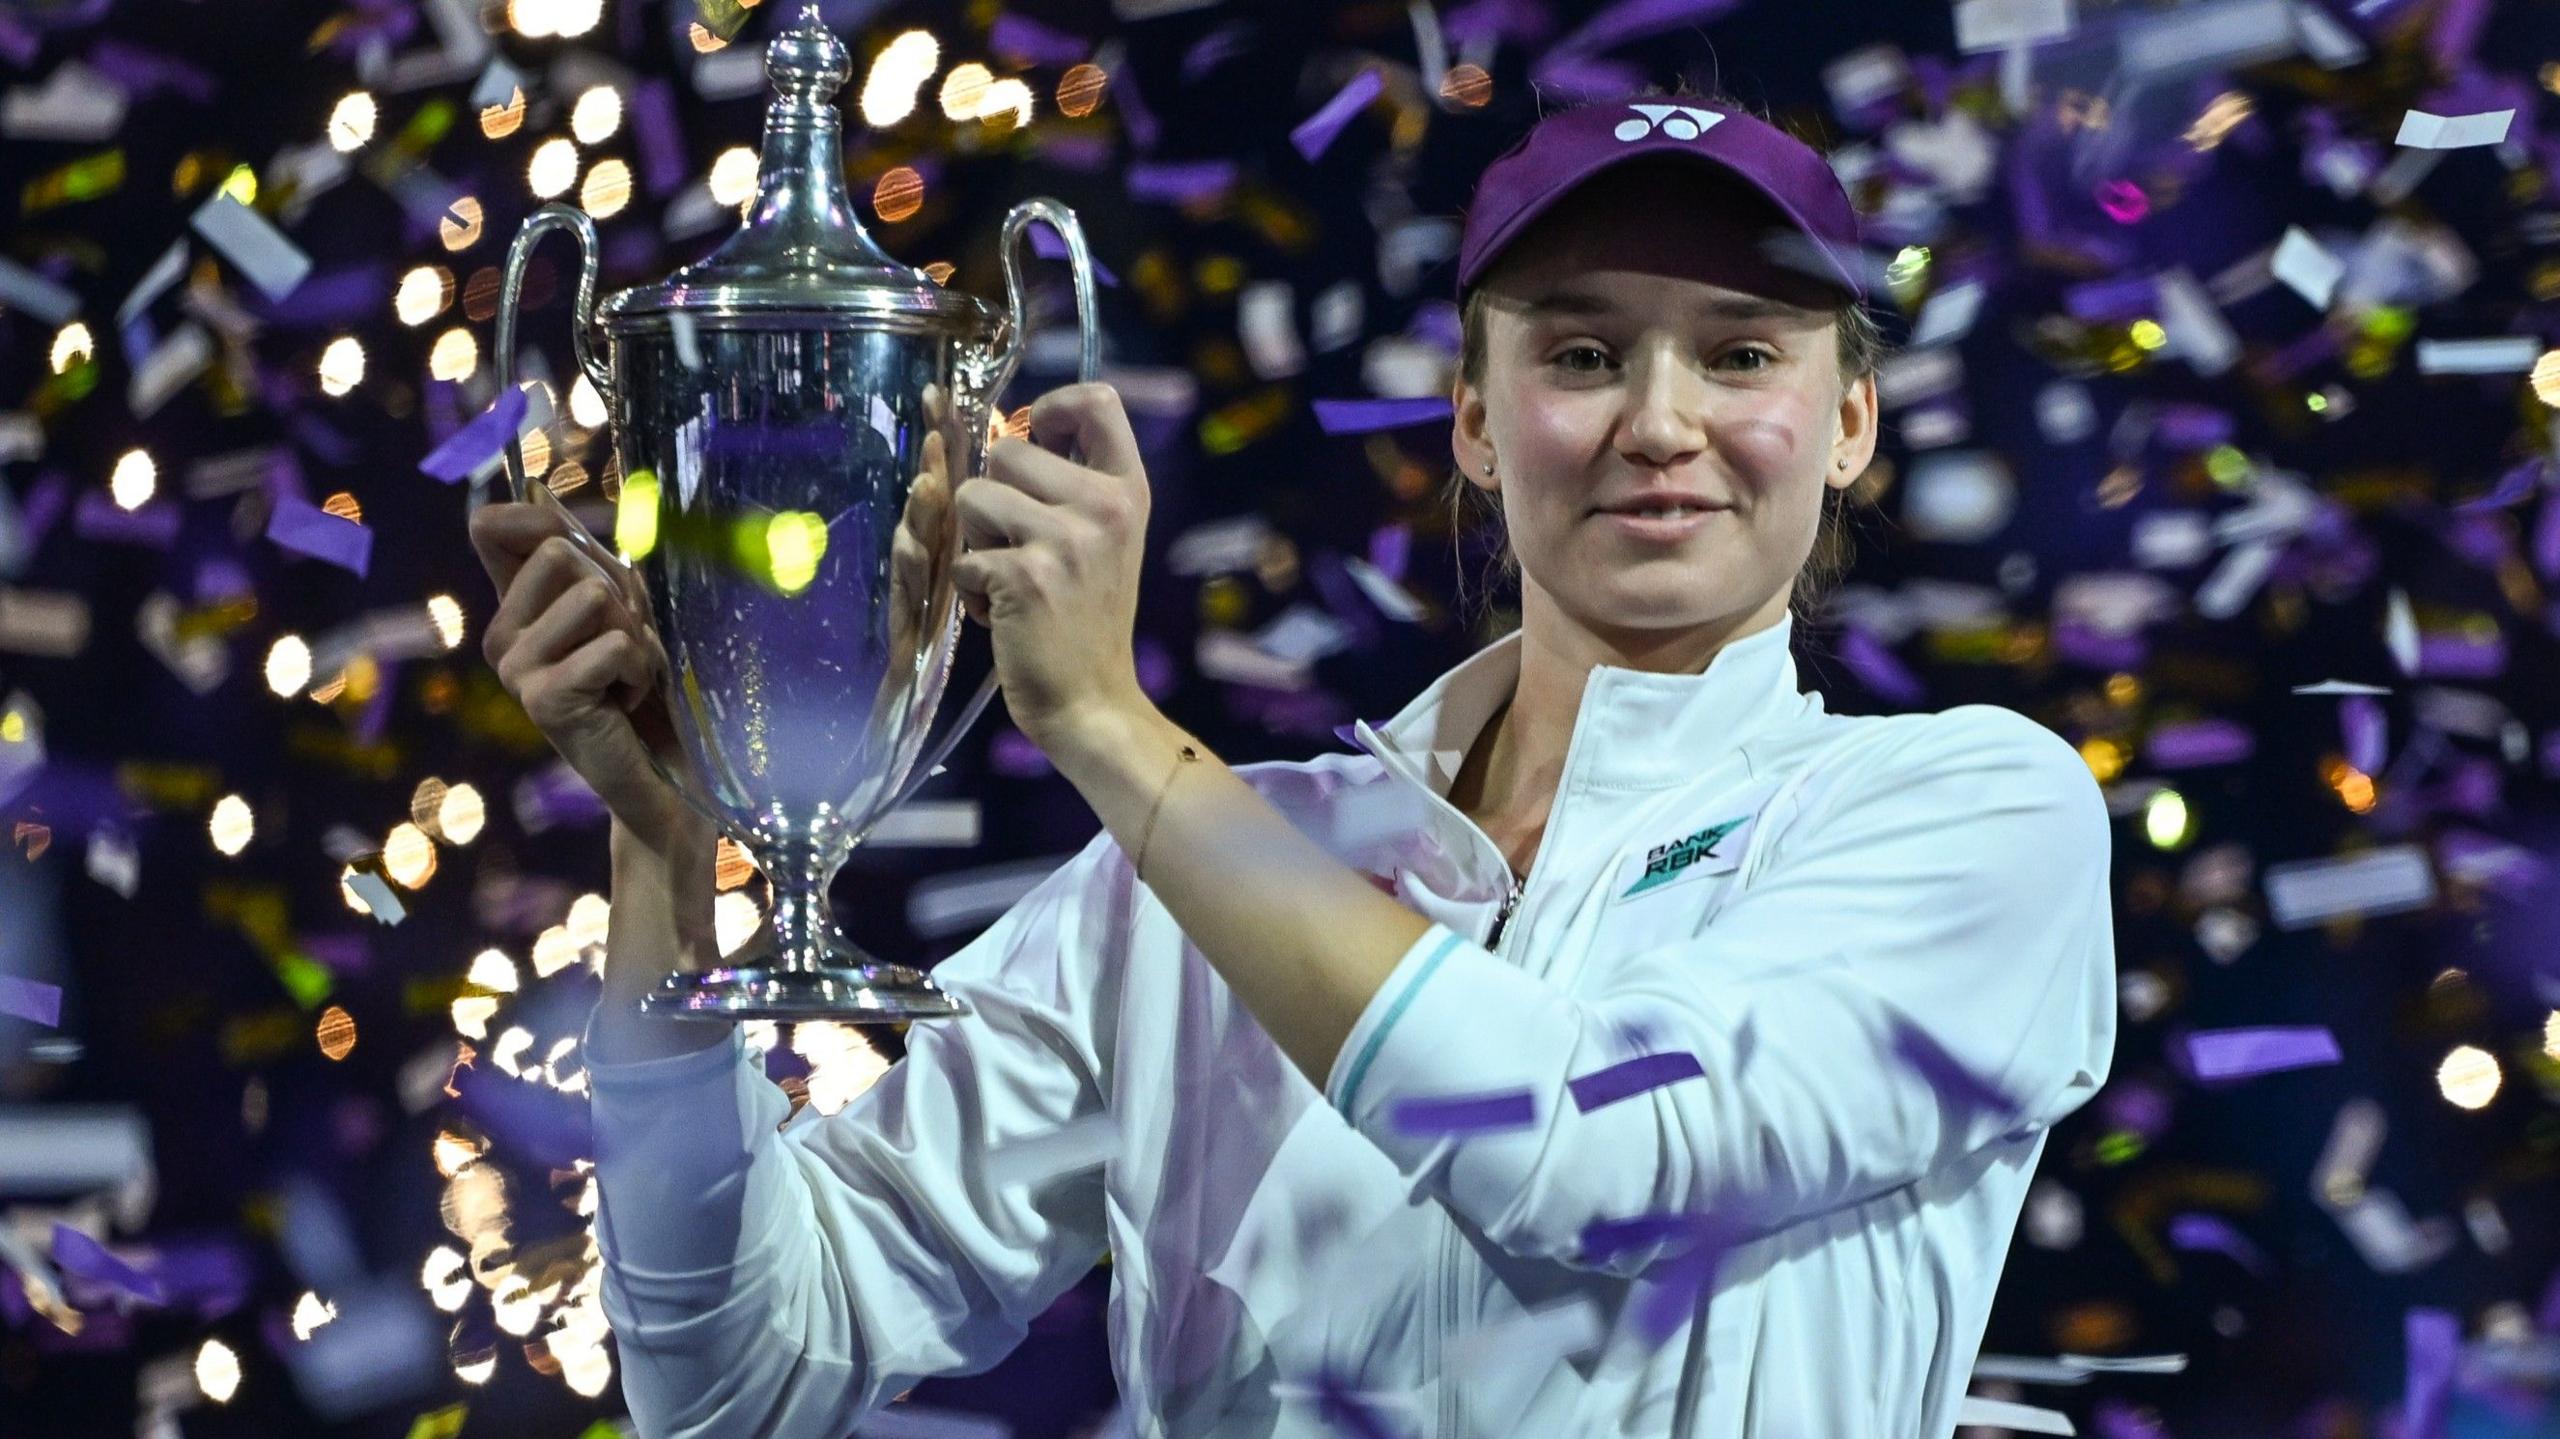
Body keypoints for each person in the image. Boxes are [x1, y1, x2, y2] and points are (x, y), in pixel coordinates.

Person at [467, 93, 2117, 1438]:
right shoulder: (1207, 868)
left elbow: (1589, 1153)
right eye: (1585, 353)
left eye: (1744, 352)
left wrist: (1112, 732)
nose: (1660, 421)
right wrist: (669, 856)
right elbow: (735, 1377)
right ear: (1475, 417)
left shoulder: (1966, 814)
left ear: (1850, 425)